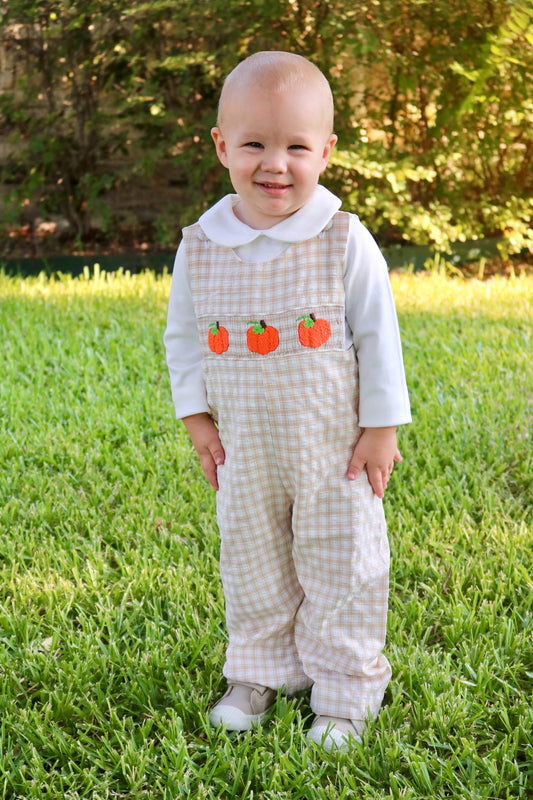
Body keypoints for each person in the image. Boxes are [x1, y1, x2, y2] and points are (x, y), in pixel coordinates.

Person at [164, 50, 411, 752]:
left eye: (296, 147)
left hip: (332, 446)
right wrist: (195, 417)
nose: (275, 163)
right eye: (254, 144)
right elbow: (182, 338)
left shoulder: (342, 239)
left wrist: (379, 427)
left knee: (341, 560)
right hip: (246, 445)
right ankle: (259, 670)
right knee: (251, 557)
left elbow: (378, 334)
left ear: (325, 152)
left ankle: (343, 691)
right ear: (221, 147)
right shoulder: (202, 245)